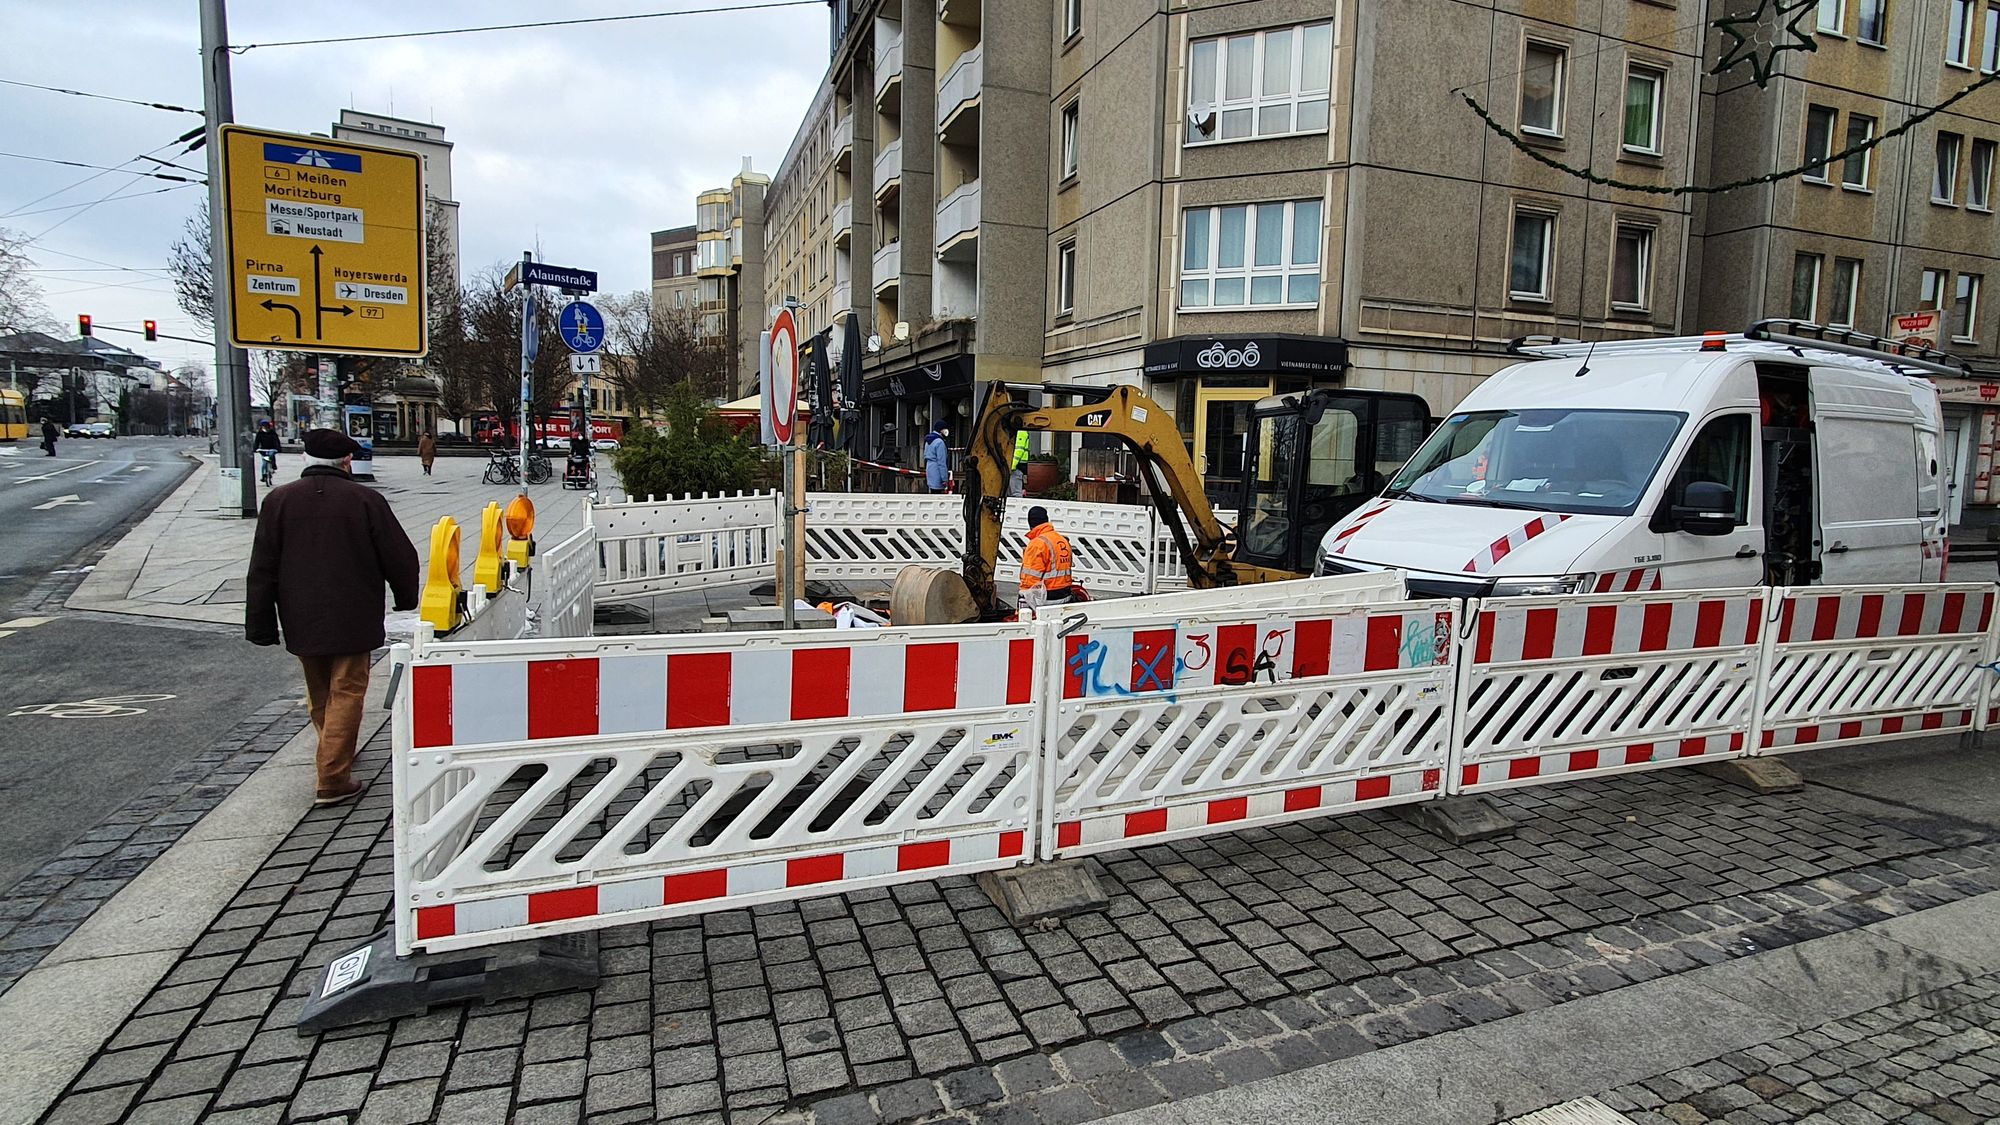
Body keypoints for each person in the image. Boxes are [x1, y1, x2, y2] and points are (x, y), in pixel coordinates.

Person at [246, 429, 420, 806]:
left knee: (320, 691)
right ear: (345, 461)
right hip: (353, 612)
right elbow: (400, 555)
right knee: (348, 691)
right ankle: (333, 777)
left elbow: (262, 566)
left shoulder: (279, 500)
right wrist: (405, 598)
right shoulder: (364, 499)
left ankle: (333, 751)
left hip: (300, 614)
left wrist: (260, 623)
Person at [1019, 505, 1075, 609]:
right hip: (1065, 596)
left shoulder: (1037, 544)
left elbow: (1029, 581)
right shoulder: (1062, 540)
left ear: (1030, 523)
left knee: (1023, 593)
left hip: (1047, 598)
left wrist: (1023, 603)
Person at [923, 424, 951, 493]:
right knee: (938, 495)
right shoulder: (940, 442)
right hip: (937, 470)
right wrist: (944, 478)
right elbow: (941, 462)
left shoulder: (928, 441)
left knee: (932, 492)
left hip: (929, 468)